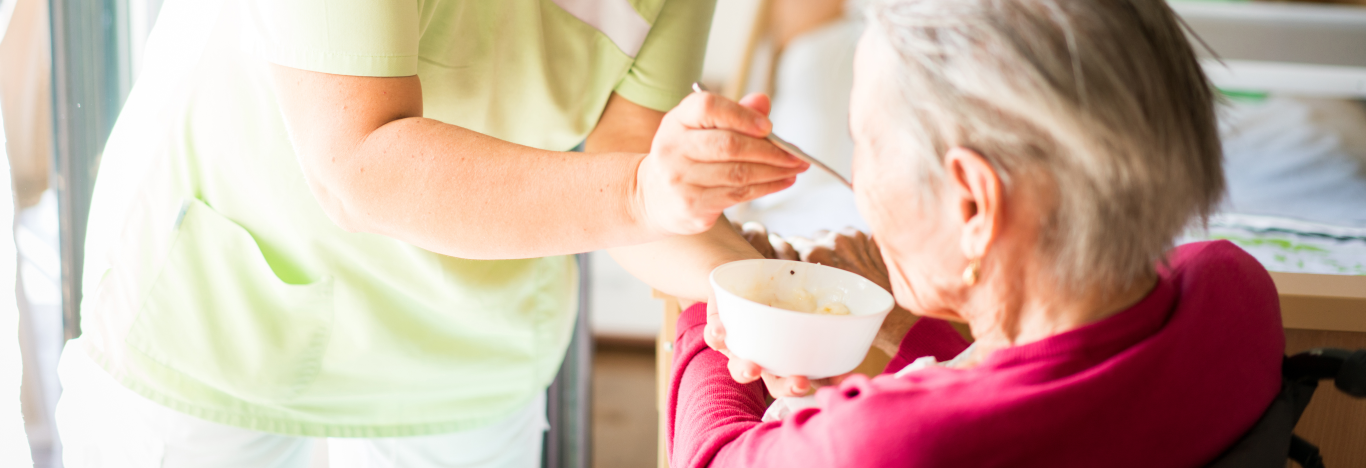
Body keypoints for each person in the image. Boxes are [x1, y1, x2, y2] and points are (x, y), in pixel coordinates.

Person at [55, 0, 806, 466]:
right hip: (226, 308)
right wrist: (641, 192)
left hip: (467, 343)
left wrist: (765, 299)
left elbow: (635, 192)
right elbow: (360, 159)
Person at [670, 0, 1285, 466]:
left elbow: (715, 455)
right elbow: (1045, 386)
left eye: (865, 145)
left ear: (973, 204)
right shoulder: (1234, 291)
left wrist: (719, 297)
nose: (859, 182)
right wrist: (900, 327)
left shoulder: (880, 442)